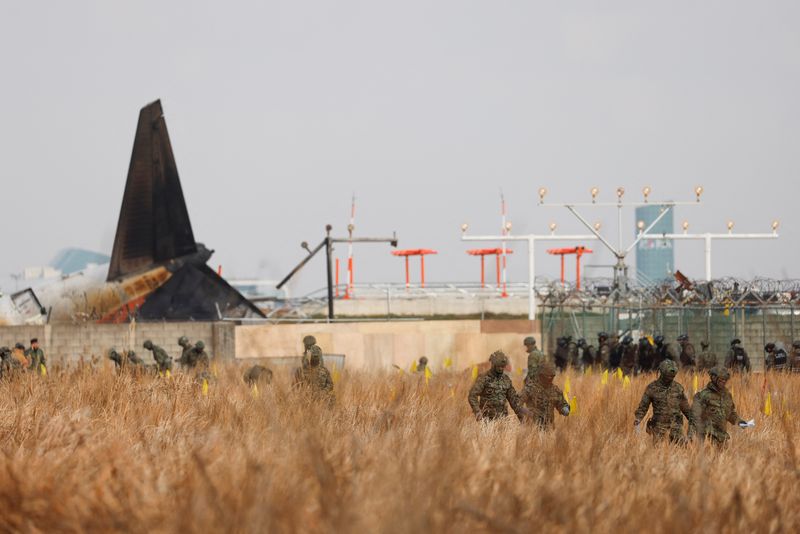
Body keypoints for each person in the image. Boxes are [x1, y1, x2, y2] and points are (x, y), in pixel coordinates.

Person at [634, 360, 694, 444]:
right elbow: (643, 407)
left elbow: (686, 408)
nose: (670, 379)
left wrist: (694, 421)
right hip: (659, 428)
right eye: (667, 376)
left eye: (672, 377)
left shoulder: (678, 388)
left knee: (682, 450)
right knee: (658, 453)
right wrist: (638, 420)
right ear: (661, 373)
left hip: (676, 428)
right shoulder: (652, 388)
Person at [689, 366, 747, 446]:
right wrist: (691, 437)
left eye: (725, 379)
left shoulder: (727, 396)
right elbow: (694, 417)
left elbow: (730, 414)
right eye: (721, 379)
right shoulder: (703, 395)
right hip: (707, 438)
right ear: (713, 378)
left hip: (722, 438)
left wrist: (740, 422)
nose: (723, 381)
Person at [468, 350, 530, 422]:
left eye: (503, 367)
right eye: (499, 367)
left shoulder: (506, 380)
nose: (501, 369)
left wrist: (521, 417)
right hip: (487, 420)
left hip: (503, 419)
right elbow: (472, 395)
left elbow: (513, 401)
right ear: (493, 365)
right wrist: (477, 411)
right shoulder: (483, 378)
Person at [520, 362, 569, 429]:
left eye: (552, 376)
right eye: (548, 376)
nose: (550, 378)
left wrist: (564, 408)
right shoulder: (530, 388)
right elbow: (517, 403)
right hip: (533, 428)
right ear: (541, 375)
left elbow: (561, 403)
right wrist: (526, 412)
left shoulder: (555, 390)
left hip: (549, 427)